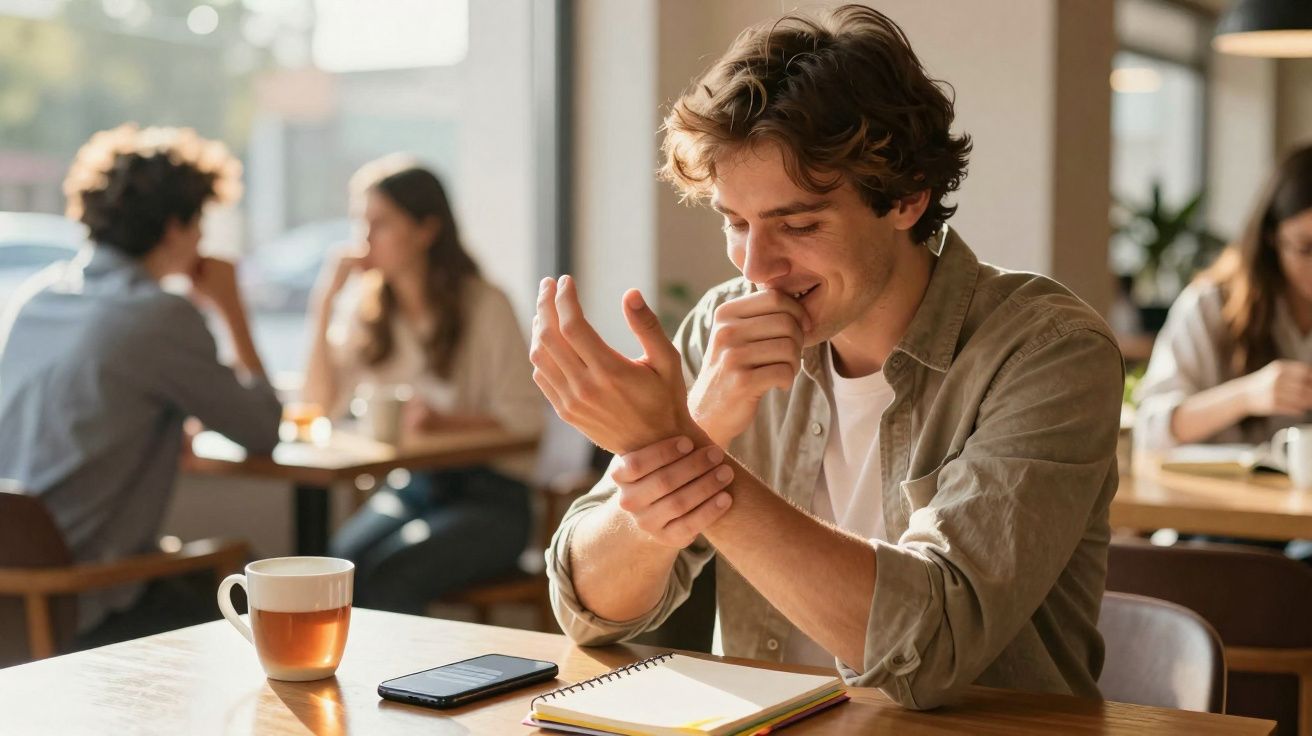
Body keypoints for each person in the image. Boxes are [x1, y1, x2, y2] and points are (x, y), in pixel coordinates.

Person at [531, 5, 1123, 710]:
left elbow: (926, 653)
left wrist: (681, 443)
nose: (757, 266)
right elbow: (592, 607)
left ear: (907, 198)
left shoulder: (1047, 353)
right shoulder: (723, 328)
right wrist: (702, 426)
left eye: (799, 223)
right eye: (735, 223)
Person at [0, 124, 282, 647]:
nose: (203, 240)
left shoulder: (37, 297)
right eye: (201, 224)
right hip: (83, 606)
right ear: (175, 229)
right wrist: (232, 309)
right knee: (256, 579)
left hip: (11, 604)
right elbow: (264, 429)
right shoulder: (157, 317)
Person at [304, 155, 543, 614]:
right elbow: (319, 404)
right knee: (337, 567)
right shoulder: (370, 311)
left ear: (426, 231)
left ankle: (402, 686)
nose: (364, 239)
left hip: (492, 497)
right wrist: (324, 301)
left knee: (394, 577)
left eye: (380, 223)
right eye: (361, 222)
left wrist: (445, 423)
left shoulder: (485, 305)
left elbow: (526, 420)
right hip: (414, 488)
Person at [1135, 145, 1312, 451]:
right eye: (1305, 248)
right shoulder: (1211, 304)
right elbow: (1150, 430)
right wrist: (1248, 395)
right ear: (1271, 238)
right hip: (1219, 498)